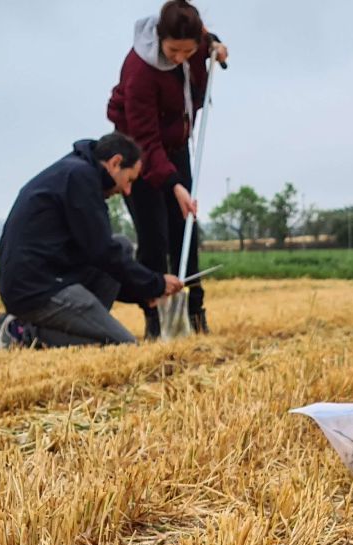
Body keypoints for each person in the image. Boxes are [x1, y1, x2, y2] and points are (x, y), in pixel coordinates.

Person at [0, 133, 182, 350]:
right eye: (129, 180)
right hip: (37, 288)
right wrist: (156, 283)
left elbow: (98, 258)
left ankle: (71, 328)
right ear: (115, 163)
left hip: (47, 276)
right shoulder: (81, 178)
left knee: (122, 244)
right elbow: (103, 252)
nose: (127, 191)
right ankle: (20, 333)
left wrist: (144, 293)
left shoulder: (76, 171)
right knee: (122, 345)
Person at [107, 0, 228, 338]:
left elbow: (209, 41)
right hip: (136, 151)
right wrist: (174, 185)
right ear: (160, 38)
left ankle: (194, 309)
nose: (179, 58)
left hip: (175, 147)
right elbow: (145, 139)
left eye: (187, 52)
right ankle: (156, 318)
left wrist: (216, 49)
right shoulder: (140, 71)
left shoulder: (194, 45)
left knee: (184, 229)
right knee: (154, 237)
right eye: (174, 51)